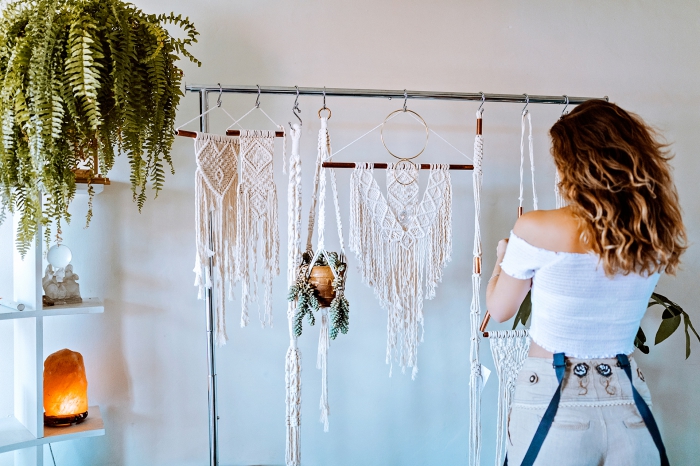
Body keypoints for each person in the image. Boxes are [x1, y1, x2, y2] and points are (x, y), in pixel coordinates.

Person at [486, 99, 686, 466]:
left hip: (554, 397)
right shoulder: (654, 234)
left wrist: (502, 257)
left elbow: (499, 310)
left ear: (574, 163)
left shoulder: (536, 228)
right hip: (628, 400)